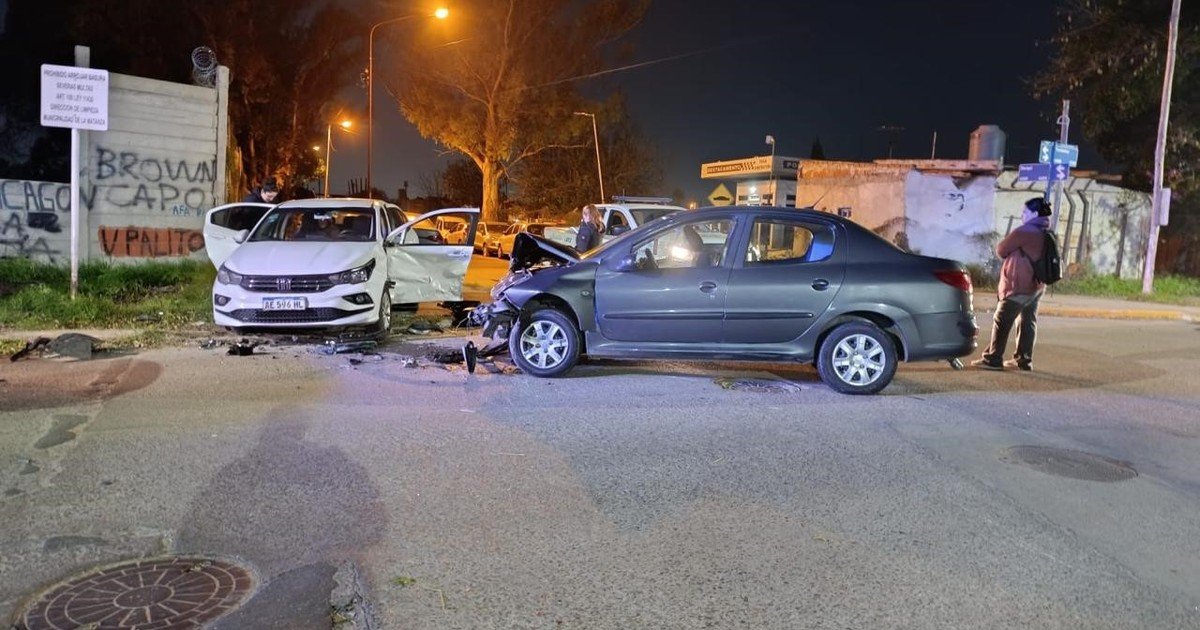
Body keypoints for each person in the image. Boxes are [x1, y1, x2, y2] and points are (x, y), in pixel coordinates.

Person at [972, 197, 1053, 371]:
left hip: (1019, 285)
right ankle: (1024, 360)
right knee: (1027, 321)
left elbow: (1001, 249)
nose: (1022, 215)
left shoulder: (1025, 231)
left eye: (1025, 212)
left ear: (1035, 213)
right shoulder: (1046, 232)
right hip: (1036, 286)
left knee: (1002, 319)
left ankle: (993, 358)